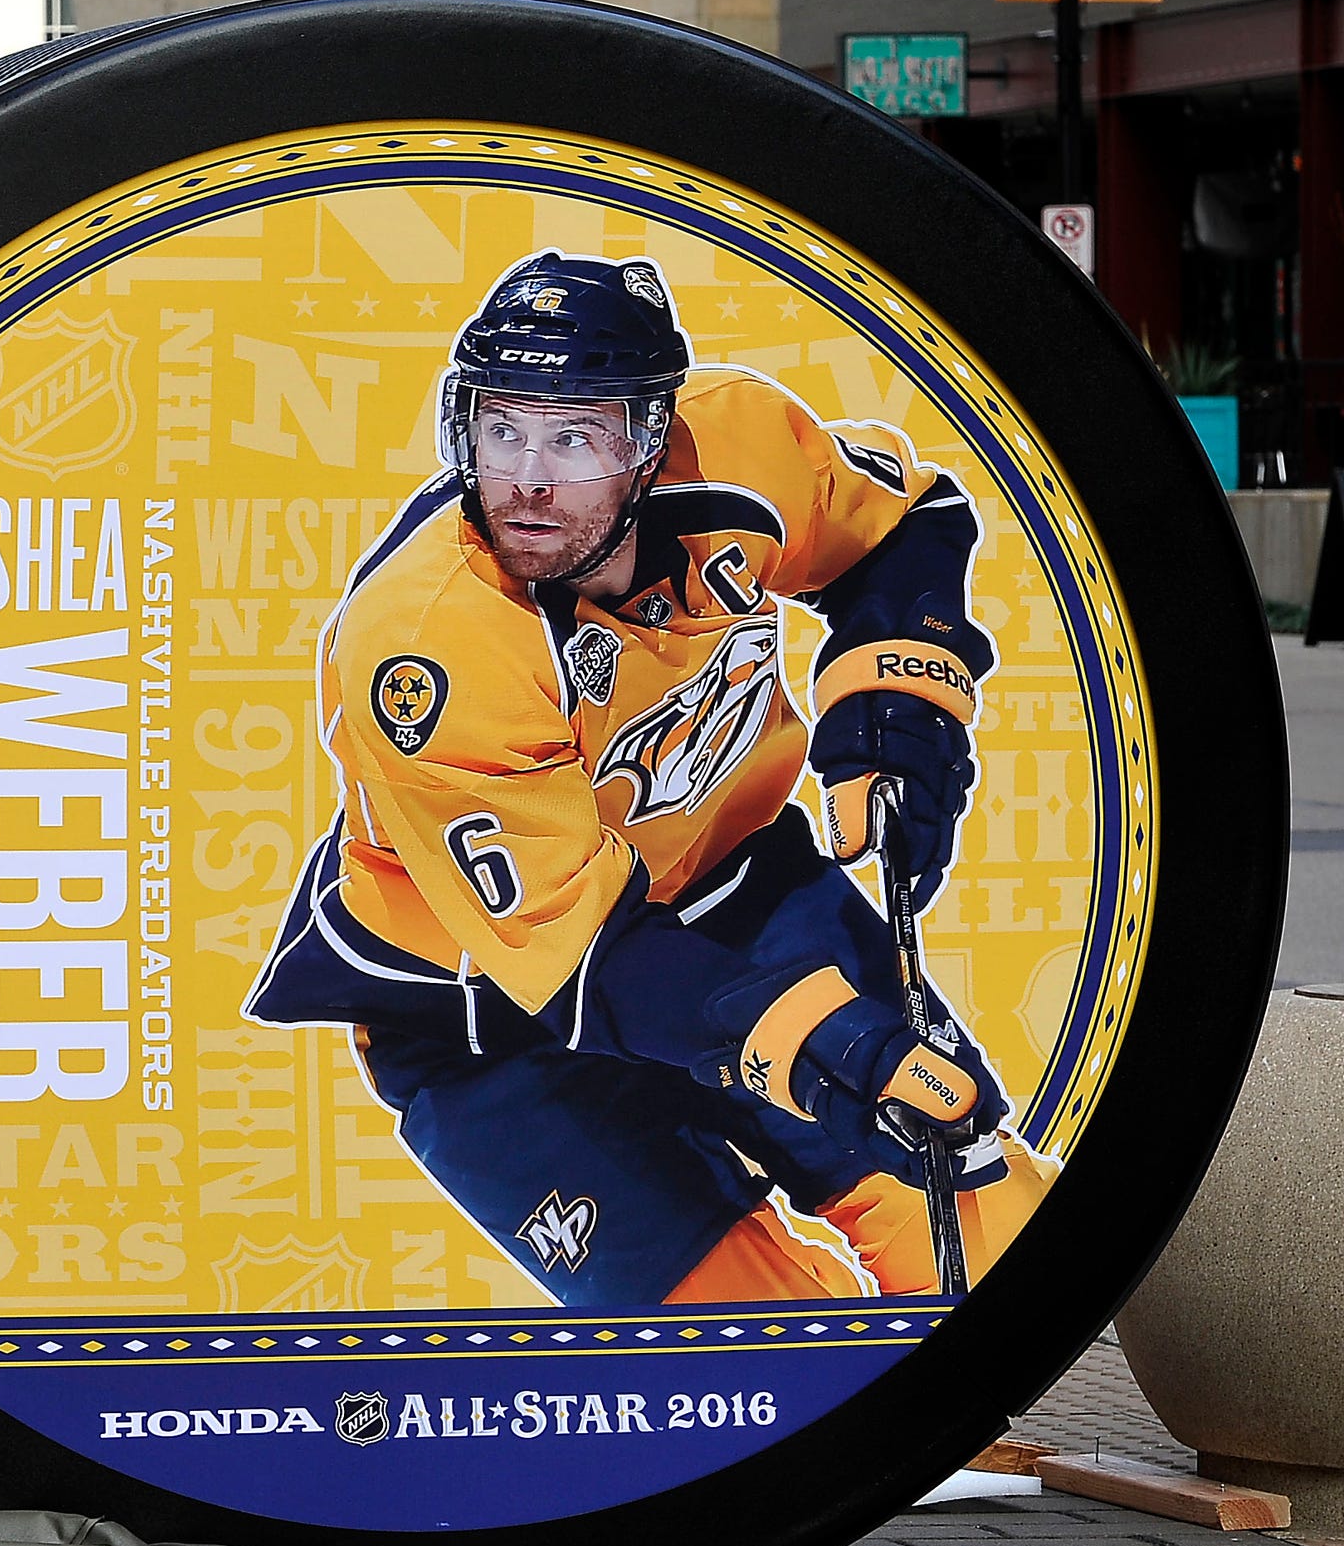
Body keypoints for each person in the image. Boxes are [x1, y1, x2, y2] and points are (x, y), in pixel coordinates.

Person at [242, 250, 1054, 1308]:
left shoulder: (736, 440)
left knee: (996, 1246)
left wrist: (889, 716)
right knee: (747, 1363)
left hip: (739, 890)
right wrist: (833, 1037)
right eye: (503, 430)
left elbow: (902, 526)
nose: (527, 478)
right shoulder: (426, 648)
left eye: (572, 435)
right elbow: (586, 965)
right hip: (493, 1019)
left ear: (647, 437)